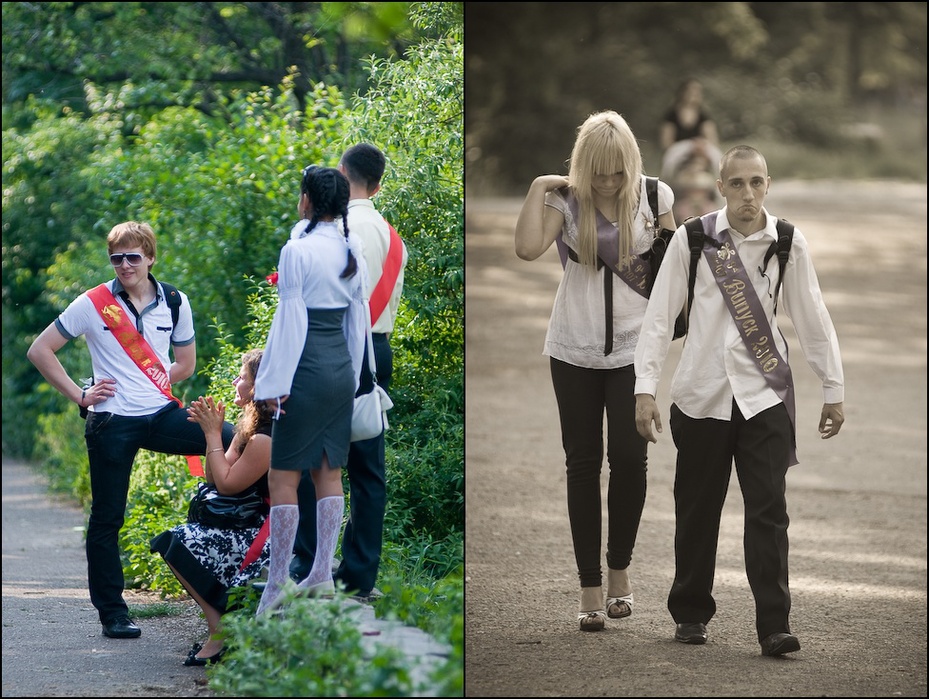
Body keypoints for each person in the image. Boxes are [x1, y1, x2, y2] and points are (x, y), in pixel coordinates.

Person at [633, 145, 845, 656]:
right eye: (737, 184)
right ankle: (689, 613)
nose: (747, 194)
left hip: (763, 397)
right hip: (701, 396)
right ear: (720, 186)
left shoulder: (789, 242)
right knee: (697, 510)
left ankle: (774, 625)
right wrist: (645, 388)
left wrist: (833, 389)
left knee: (769, 513)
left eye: (756, 183)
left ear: (768, 185)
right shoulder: (693, 238)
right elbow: (660, 318)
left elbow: (812, 318)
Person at [26, 220, 235, 640]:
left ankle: (240, 548)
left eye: (132, 257)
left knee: (233, 438)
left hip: (161, 415)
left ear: (150, 257)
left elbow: (186, 365)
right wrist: (80, 395)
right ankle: (113, 614)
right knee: (107, 517)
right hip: (111, 422)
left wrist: (150, 383)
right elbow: (39, 350)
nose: (124, 265)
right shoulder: (93, 302)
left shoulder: (175, 300)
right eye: (116, 258)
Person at [514, 110, 676, 632]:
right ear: (583, 167)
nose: (607, 182)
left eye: (616, 171)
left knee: (630, 460)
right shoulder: (566, 200)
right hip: (573, 349)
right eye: (598, 172)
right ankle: (588, 586)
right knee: (582, 466)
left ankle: (620, 574)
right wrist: (540, 185)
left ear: (630, 163)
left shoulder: (655, 199)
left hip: (633, 352)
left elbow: (674, 281)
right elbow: (525, 248)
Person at [290, 143, 408, 600]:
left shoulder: (338, 228)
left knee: (308, 458)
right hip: (379, 348)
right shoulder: (390, 233)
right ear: (378, 185)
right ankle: (359, 574)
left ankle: (308, 564)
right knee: (367, 469)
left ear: (341, 175)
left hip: (341, 348)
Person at [252, 165, 368, 615]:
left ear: (307, 200)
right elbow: (355, 318)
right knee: (329, 472)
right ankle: (321, 573)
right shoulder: (349, 245)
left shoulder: (295, 250)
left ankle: (278, 583)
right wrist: (355, 376)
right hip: (340, 364)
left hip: (305, 366)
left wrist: (273, 382)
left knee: (283, 477)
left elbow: (289, 322)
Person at [150, 348, 274, 665]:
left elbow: (229, 484)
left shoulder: (266, 437)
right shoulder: (248, 424)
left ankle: (220, 631)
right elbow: (215, 477)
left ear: (258, 387)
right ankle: (220, 626)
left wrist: (212, 434)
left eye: (242, 377)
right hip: (244, 524)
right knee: (176, 538)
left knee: (179, 541)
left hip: (266, 533)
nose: (236, 381)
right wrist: (213, 435)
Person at [659, 78, 722, 223]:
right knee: (671, 159)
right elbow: (667, 143)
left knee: (717, 157)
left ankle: (720, 190)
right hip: (680, 154)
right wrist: (688, 148)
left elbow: (712, 140)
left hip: (700, 154)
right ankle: (666, 186)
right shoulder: (672, 115)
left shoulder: (703, 115)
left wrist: (700, 148)